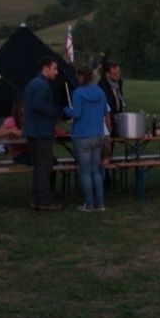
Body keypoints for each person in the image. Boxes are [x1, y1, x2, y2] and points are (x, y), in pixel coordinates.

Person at [64, 65, 109, 212]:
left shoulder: (78, 93)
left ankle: (89, 204)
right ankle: (100, 203)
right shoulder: (100, 92)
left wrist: (65, 109)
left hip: (82, 136)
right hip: (98, 135)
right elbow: (104, 112)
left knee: (85, 171)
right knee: (95, 170)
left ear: (81, 76)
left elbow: (76, 114)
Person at [23, 56, 63, 211]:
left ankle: (36, 199)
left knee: (38, 167)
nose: (57, 72)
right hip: (41, 133)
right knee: (45, 168)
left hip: (32, 131)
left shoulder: (32, 83)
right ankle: (45, 201)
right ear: (45, 68)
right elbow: (39, 104)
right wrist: (55, 112)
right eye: (54, 68)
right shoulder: (41, 85)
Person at [98, 60, 125, 177]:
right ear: (107, 74)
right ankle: (103, 177)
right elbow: (106, 107)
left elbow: (119, 99)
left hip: (116, 119)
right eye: (115, 73)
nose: (118, 75)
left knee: (110, 150)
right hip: (107, 122)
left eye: (118, 72)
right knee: (104, 152)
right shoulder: (102, 87)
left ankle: (106, 176)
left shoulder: (118, 83)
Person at [0, 96, 31, 166]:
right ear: (18, 107)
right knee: (43, 164)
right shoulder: (11, 120)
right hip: (19, 153)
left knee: (52, 162)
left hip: (33, 150)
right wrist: (11, 130)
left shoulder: (31, 119)